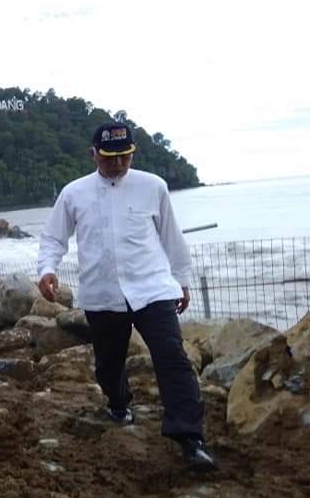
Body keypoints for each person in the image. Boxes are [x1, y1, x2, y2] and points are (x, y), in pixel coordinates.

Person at [37, 122, 215, 471]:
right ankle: (118, 403)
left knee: (173, 358)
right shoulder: (74, 193)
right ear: (93, 155)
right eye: (109, 158)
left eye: (124, 157)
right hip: (102, 293)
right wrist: (47, 270)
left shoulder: (154, 187)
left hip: (152, 288)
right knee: (109, 363)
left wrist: (181, 279)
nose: (117, 164)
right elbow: (53, 238)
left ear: (132, 154)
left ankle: (190, 438)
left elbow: (171, 237)